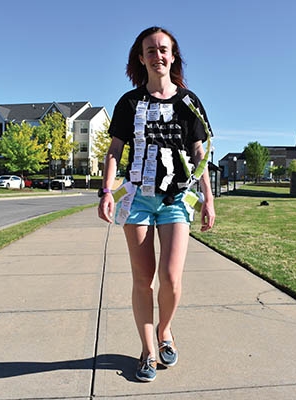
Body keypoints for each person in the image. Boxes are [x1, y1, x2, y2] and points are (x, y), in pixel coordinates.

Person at [98, 26, 215, 382]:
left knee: (170, 279)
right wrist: (106, 191)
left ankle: (165, 329)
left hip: (176, 198)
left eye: (163, 49)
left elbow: (200, 153)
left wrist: (208, 199)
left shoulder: (189, 102)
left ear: (173, 55)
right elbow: (115, 151)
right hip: (137, 200)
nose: (157, 55)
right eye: (150, 50)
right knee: (142, 279)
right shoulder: (129, 103)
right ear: (141, 57)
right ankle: (148, 350)